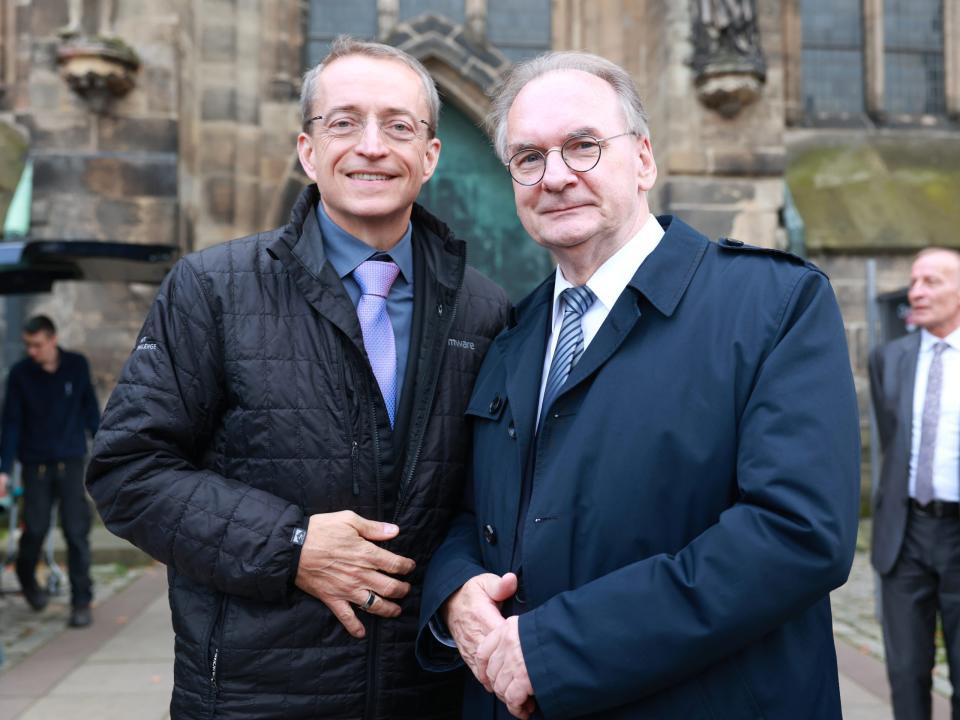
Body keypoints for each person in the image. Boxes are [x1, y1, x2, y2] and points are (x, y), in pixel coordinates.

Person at [416, 51, 861, 719]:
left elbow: (797, 533)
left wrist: (559, 647)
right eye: (528, 158)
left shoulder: (773, 304)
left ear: (644, 159)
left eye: (583, 147)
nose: (556, 177)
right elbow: (468, 513)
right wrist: (454, 591)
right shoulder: (510, 334)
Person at [85, 37, 508, 720]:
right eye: (343, 122)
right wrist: (291, 545)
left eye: (398, 125)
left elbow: (487, 497)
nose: (371, 145)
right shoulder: (212, 289)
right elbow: (127, 473)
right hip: (254, 696)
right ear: (308, 151)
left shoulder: (485, 310)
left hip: (426, 693)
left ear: (430, 155)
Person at [870, 247, 960, 720]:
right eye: (914, 281)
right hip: (905, 535)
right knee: (905, 672)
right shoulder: (890, 358)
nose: (916, 292)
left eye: (932, 282)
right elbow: (894, 442)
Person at [0, 314, 99, 628]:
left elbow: (91, 412)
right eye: (28, 345)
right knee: (36, 530)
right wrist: (4, 470)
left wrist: (105, 451)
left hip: (70, 462)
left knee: (76, 531)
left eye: (37, 345)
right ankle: (27, 577)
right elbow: (11, 424)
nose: (32, 351)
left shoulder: (76, 365)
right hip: (36, 465)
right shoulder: (20, 375)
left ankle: (81, 600)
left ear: (52, 340)